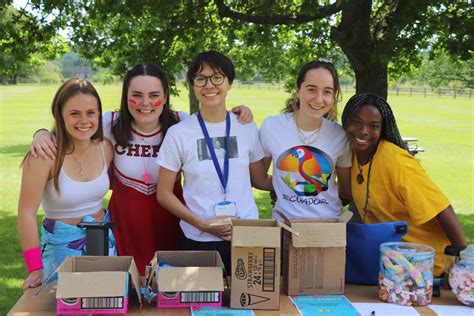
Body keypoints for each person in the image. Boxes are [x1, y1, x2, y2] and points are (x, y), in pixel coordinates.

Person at [30, 64, 254, 275]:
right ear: (126, 96)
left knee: (170, 290)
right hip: (125, 223)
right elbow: (73, 126)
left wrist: (241, 112)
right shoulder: (110, 122)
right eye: (136, 95)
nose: (145, 103)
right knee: (126, 289)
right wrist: (41, 133)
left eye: (154, 95)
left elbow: (217, 132)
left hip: (172, 219)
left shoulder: (180, 123)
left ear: (165, 97)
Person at [156, 51, 272, 272]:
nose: (209, 85)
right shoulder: (179, 133)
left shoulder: (245, 126)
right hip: (198, 240)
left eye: (217, 77)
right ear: (193, 85)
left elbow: (259, 179)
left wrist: (298, 182)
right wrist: (202, 225)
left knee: (249, 305)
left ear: (229, 83)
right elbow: (164, 194)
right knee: (202, 306)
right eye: (201, 79)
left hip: (246, 237)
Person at [341, 92, 467, 276]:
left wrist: (461, 263)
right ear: (346, 121)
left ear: (382, 128)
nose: (364, 131)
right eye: (357, 122)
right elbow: (344, 194)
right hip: (394, 266)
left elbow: (441, 208)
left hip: (429, 267)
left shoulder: (396, 161)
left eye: (373, 126)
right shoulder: (349, 155)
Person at [18, 78, 115, 290]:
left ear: (99, 114)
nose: (84, 120)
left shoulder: (105, 148)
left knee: (108, 305)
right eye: (74, 113)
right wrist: (35, 267)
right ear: (59, 116)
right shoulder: (44, 156)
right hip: (60, 253)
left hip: (104, 248)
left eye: (91, 112)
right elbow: (26, 213)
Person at [259, 60, 352, 221]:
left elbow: (346, 191)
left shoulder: (340, 135)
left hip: (328, 227)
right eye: (311, 89)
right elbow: (259, 178)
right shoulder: (272, 126)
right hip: (284, 225)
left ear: (334, 97)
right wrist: (286, 188)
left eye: (327, 92)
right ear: (298, 90)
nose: (319, 99)